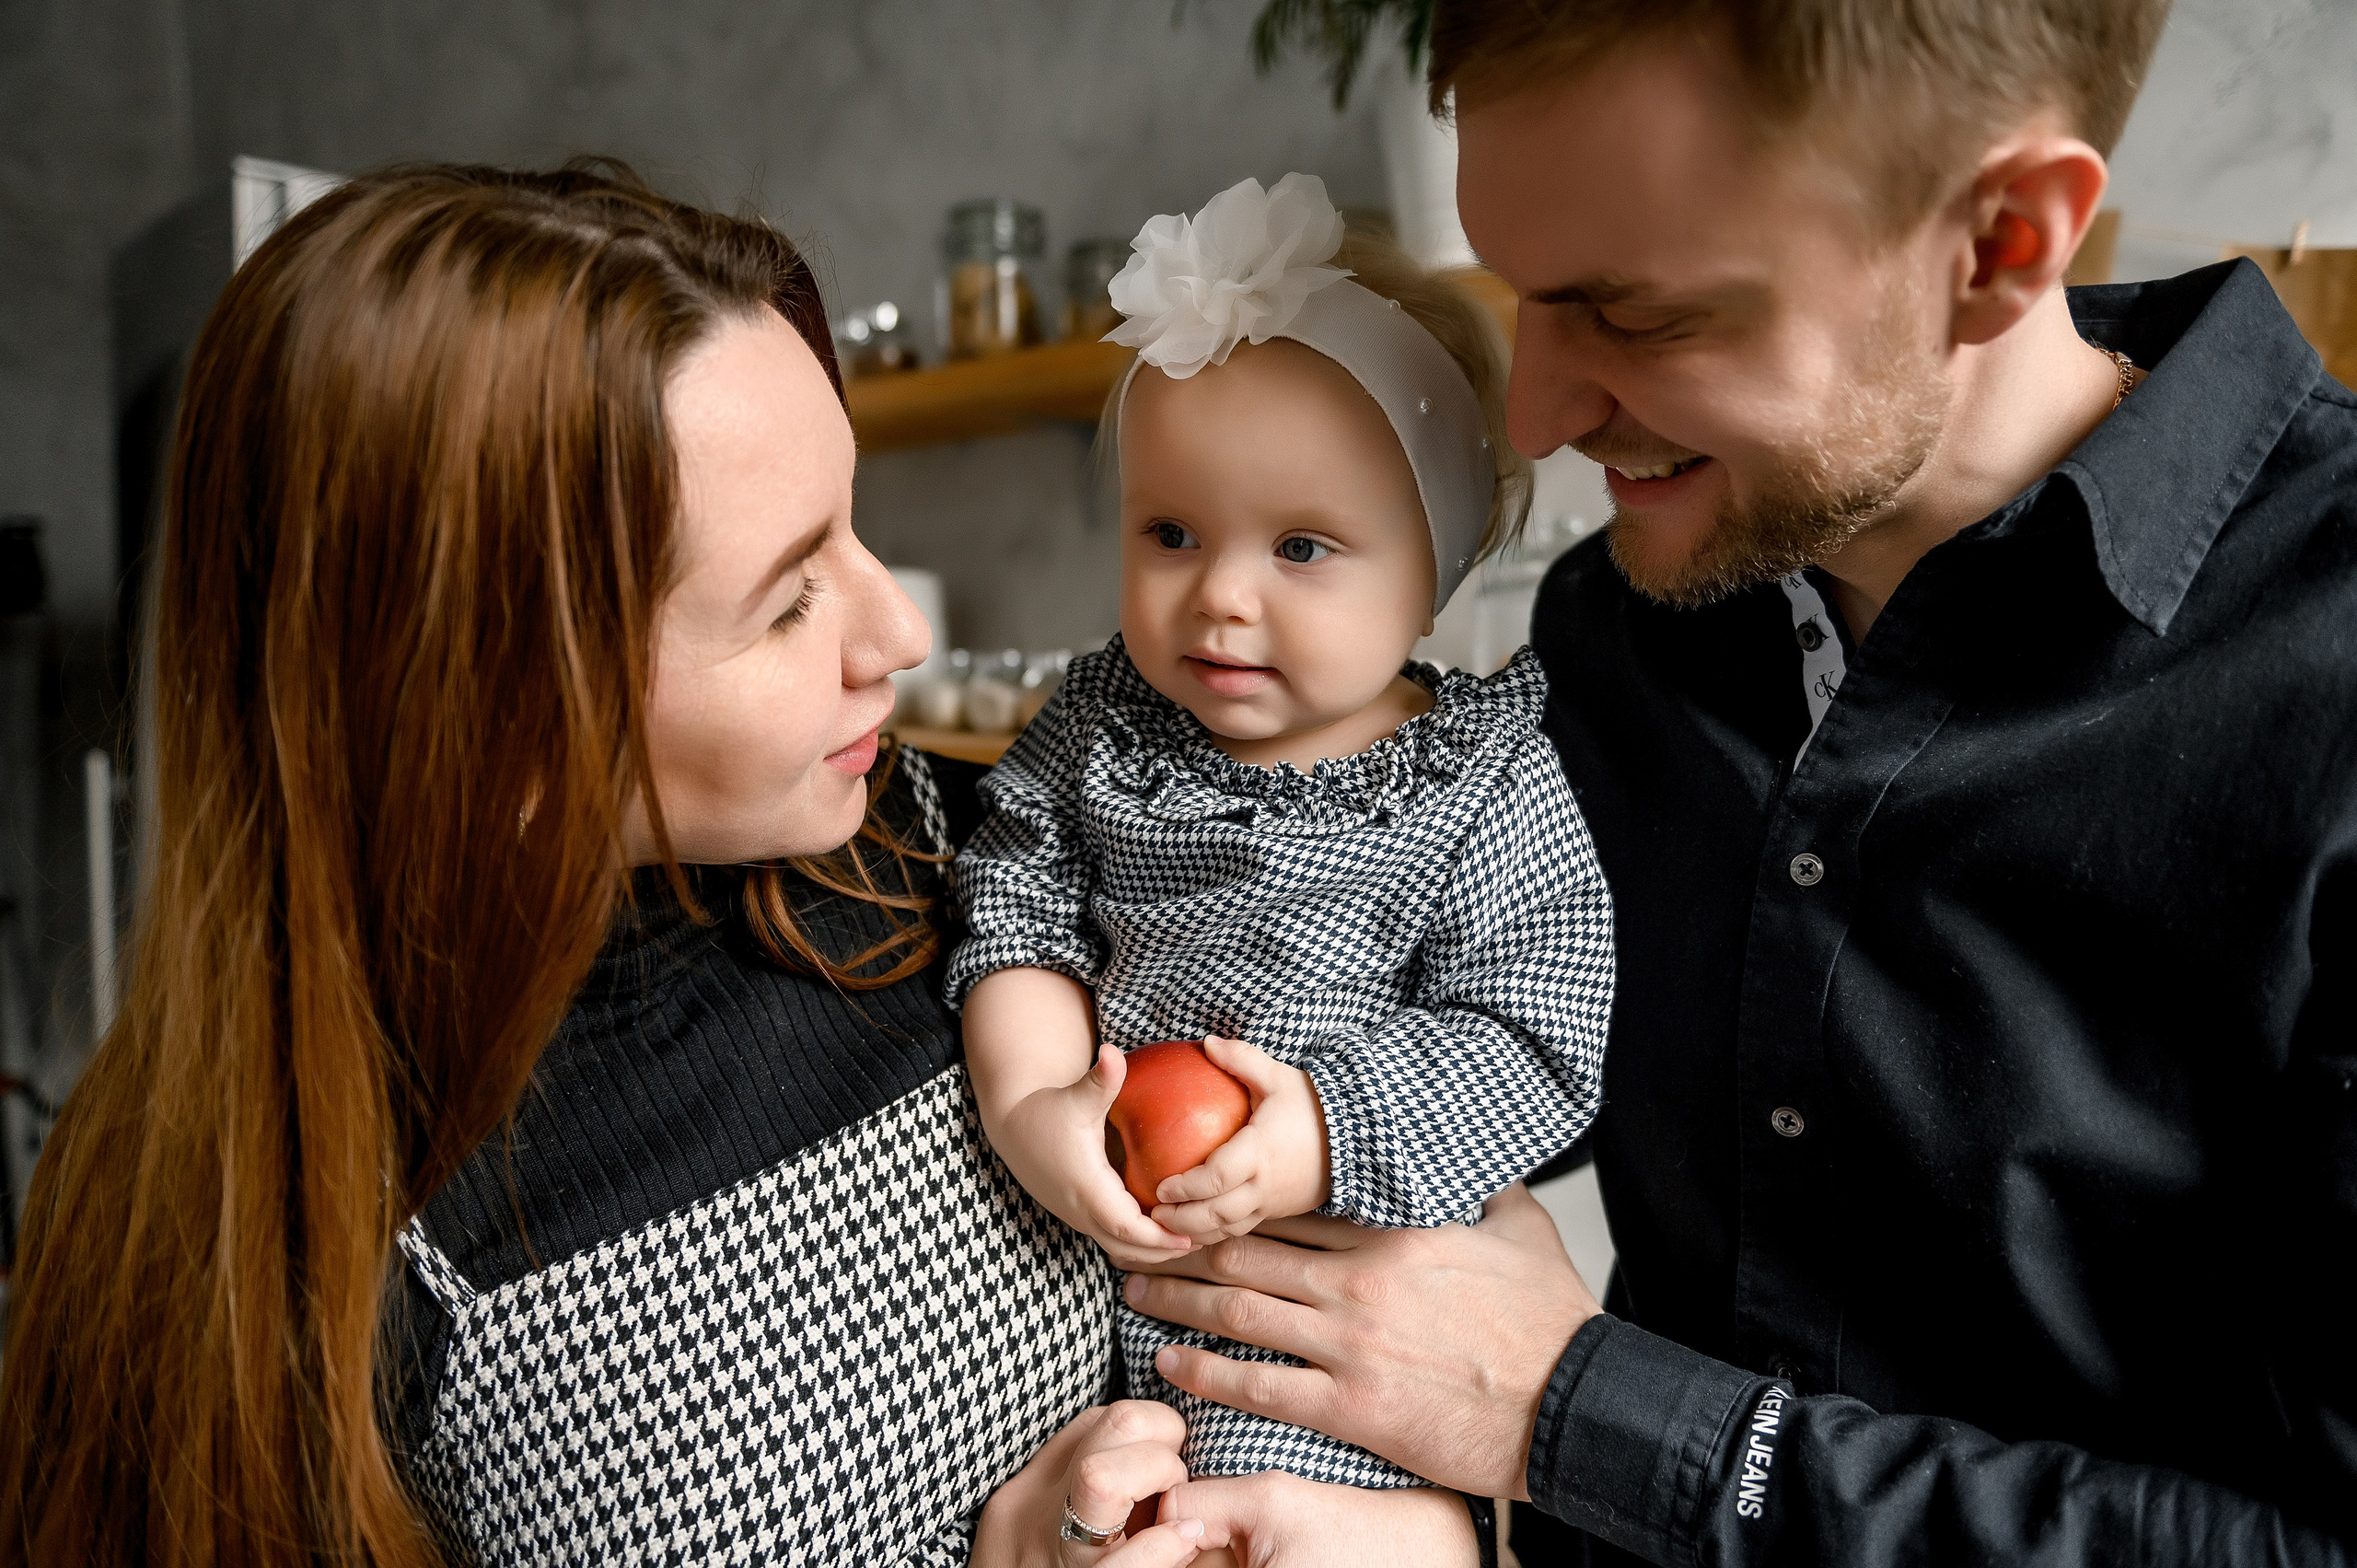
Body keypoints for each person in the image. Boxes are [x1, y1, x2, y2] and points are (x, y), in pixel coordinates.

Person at [1121, 2, 2357, 1564]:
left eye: (1637, 317)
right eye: (1521, 296)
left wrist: (1566, 1412)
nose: (1537, 418)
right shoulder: (1610, 630)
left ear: (1997, 241)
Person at [0, 161, 1225, 1568]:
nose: (898, 634)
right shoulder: (264, 1263)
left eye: (855, 523)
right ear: (502, 718)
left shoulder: (976, 868)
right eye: (788, 600)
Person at [947, 169, 1613, 1510]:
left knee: (1274, 1507)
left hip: (1330, 1289)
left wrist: (1319, 1125)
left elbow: (1537, 1028)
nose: (1221, 598)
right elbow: (1011, 893)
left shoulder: (1480, 780)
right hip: (1087, 1251)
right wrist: (1028, 1104)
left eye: (1303, 547)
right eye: (1171, 533)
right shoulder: (1103, 725)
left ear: (1435, 563)